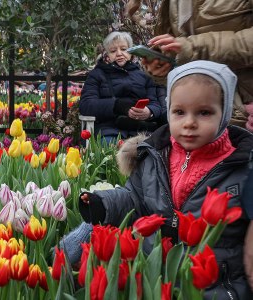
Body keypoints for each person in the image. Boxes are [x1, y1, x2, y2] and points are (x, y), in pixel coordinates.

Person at [75, 61, 253, 298]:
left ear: (225, 115)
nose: (189, 122)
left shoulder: (243, 166)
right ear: (168, 111)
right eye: (179, 112)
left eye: (204, 112)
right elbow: (134, 197)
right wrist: (104, 203)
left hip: (216, 284)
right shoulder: (154, 155)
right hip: (156, 275)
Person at [126, 0, 253, 130]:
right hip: (205, 115)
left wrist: (193, 48)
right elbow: (181, 54)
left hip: (244, 110)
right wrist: (164, 68)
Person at [79, 31, 167, 143]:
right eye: (113, 51)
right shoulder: (96, 75)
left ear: (131, 51)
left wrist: (149, 112)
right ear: (107, 54)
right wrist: (117, 105)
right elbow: (86, 105)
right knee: (110, 149)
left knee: (152, 148)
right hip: (109, 130)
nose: (119, 53)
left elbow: (156, 104)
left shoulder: (145, 76)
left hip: (141, 130)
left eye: (124, 49)